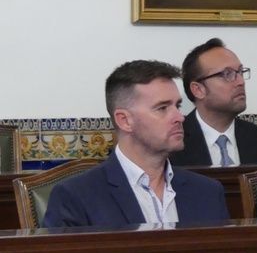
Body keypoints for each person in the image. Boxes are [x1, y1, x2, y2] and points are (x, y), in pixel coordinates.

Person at [43, 60, 230, 228]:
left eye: (178, 106)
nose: (179, 117)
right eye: (162, 108)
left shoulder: (207, 192)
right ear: (124, 120)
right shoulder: (76, 196)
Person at [170, 38, 257, 167]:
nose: (241, 82)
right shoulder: (173, 141)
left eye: (240, 72)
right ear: (198, 90)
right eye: (227, 74)